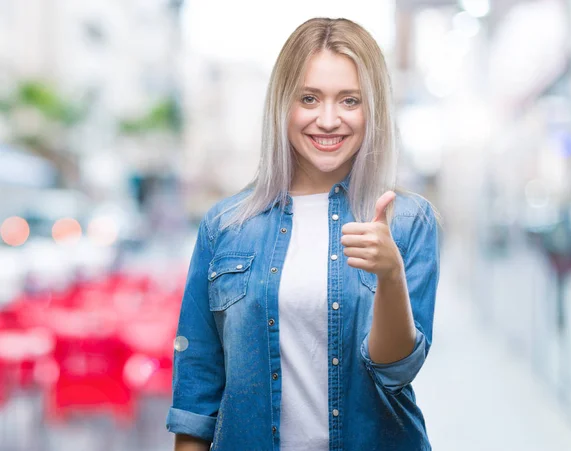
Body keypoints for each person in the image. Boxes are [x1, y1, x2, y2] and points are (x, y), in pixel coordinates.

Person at [166, 17, 441, 451]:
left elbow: (395, 371)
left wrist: (390, 275)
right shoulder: (226, 225)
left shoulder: (408, 221)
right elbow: (198, 385)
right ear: (283, 104)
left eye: (350, 100)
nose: (328, 120)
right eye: (309, 98)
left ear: (374, 109)